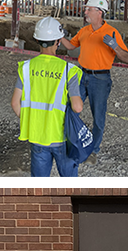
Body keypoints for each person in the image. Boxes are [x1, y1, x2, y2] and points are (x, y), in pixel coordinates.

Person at [11, 17, 84, 177]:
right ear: (58, 41)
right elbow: (77, 107)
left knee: (40, 188)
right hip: (62, 137)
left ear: (37, 40)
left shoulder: (26, 67)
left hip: (37, 137)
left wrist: (32, 120)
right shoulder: (68, 70)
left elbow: (16, 103)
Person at [60, 0, 128, 160]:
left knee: (98, 117)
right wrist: (60, 36)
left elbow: (126, 57)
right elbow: (71, 46)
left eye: (88, 9)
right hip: (81, 75)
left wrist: (114, 46)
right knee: (71, 110)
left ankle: (94, 150)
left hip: (100, 79)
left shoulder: (112, 32)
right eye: (86, 9)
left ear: (99, 12)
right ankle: (73, 143)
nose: (85, 12)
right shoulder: (84, 31)